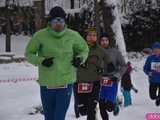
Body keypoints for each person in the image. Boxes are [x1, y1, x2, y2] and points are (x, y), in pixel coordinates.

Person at [25, 6, 89, 120]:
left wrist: (79, 58)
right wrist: (41, 61)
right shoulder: (40, 36)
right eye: (55, 21)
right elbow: (28, 54)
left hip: (65, 84)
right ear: (50, 21)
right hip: (47, 85)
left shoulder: (73, 35)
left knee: (59, 117)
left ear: (65, 21)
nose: (58, 24)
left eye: (61, 21)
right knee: (49, 117)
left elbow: (84, 49)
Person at [74, 27, 114, 120]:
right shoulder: (78, 48)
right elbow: (70, 59)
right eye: (89, 35)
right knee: (83, 110)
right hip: (80, 82)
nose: (92, 37)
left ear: (96, 37)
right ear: (85, 37)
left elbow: (107, 58)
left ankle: (92, 115)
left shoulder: (100, 50)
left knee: (91, 109)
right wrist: (74, 61)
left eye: (94, 35)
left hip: (95, 82)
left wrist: (110, 64)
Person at [99, 33, 126, 120]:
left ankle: (115, 105)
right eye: (102, 40)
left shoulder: (115, 52)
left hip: (111, 80)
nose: (104, 42)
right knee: (101, 105)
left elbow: (124, 66)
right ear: (100, 42)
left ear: (108, 41)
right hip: (99, 81)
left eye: (106, 40)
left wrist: (117, 75)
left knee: (109, 107)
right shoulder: (96, 52)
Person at [143, 42, 160, 107]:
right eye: (155, 49)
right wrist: (148, 72)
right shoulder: (150, 58)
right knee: (152, 96)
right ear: (153, 50)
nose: (156, 51)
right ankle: (157, 98)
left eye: (158, 49)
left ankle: (159, 99)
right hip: (153, 80)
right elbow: (145, 68)